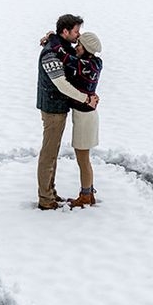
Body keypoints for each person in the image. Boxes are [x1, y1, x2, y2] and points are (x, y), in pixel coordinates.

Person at [36, 14, 98, 210]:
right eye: (76, 32)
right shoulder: (51, 54)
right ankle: (46, 199)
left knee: (52, 153)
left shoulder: (61, 46)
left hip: (59, 107)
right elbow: (61, 84)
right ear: (65, 32)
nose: (78, 37)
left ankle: (50, 193)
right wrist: (86, 99)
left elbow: (75, 59)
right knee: (49, 154)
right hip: (53, 108)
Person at [49, 31, 103, 209]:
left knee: (83, 159)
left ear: (86, 49)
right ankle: (89, 192)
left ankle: (86, 195)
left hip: (84, 118)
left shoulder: (83, 64)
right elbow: (71, 55)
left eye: (79, 44)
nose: (76, 47)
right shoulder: (95, 62)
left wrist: (52, 37)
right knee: (84, 158)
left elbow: (63, 54)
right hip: (88, 115)